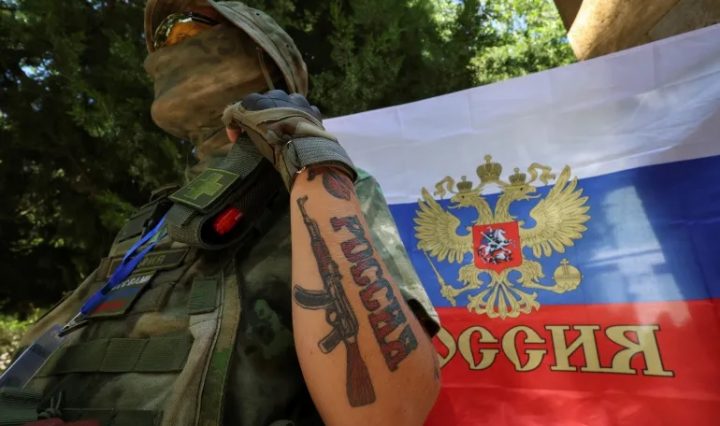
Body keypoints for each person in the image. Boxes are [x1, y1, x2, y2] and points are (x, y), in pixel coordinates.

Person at [1, 1, 440, 425]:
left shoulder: (320, 187)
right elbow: (40, 357)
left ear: (264, 59)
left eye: (188, 27)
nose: (169, 45)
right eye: (162, 37)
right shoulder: (154, 217)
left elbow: (390, 413)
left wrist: (307, 154)